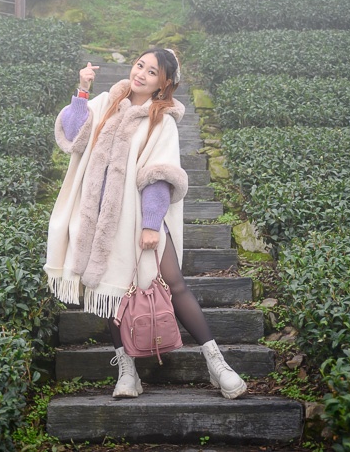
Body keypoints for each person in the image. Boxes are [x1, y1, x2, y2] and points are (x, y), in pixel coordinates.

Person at [44, 48, 247, 400]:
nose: (141, 74)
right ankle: (127, 372)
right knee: (108, 292)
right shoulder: (107, 101)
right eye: (140, 65)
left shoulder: (161, 121)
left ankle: (217, 364)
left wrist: (151, 224)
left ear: (163, 84)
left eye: (151, 72)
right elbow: (73, 137)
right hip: (96, 219)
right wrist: (82, 91)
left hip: (137, 218)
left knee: (176, 284)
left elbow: (159, 174)